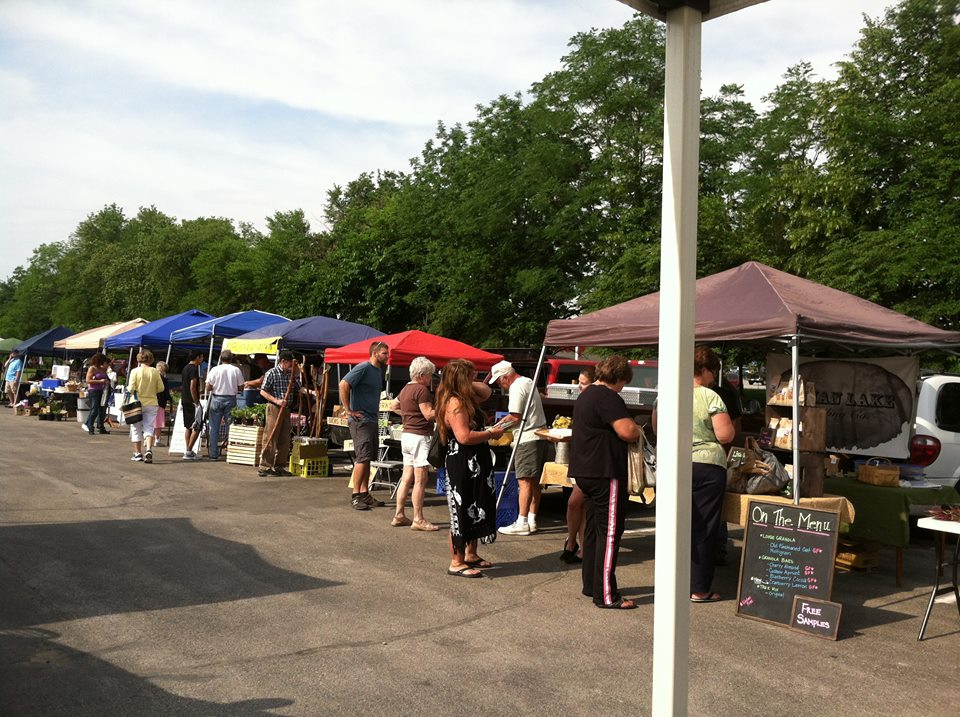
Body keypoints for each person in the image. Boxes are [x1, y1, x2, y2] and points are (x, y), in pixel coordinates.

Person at [652, 346, 734, 603]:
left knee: (673, 525)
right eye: (714, 371)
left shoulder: (665, 395)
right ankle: (699, 589)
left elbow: (658, 431)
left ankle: (670, 583)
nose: (714, 377)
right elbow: (725, 435)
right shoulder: (711, 397)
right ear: (706, 370)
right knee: (703, 528)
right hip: (707, 466)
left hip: (673, 464)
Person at [569, 356, 641, 609]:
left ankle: (592, 584)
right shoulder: (608, 397)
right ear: (620, 378)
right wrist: (638, 429)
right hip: (605, 471)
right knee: (610, 533)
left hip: (586, 471)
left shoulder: (586, 394)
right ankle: (606, 594)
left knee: (593, 531)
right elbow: (627, 431)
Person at [436, 359, 505, 578]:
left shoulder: (464, 396)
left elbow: (485, 392)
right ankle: (456, 562)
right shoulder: (455, 403)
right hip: (463, 461)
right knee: (462, 508)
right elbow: (464, 436)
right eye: (471, 376)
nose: (475, 380)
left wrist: (465, 381)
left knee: (477, 504)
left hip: (475, 460)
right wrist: (490, 434)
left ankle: (471, 554)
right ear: (461, 379)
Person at [488, 360, 548, 536]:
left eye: (500, 381)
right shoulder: (528, 381)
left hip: (527, 438)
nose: (500, 385)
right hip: (539, 435)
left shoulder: (516, 387)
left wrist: (496, 429)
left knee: (524, 480)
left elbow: (515, 417)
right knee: (534, 480)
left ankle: (521, 522)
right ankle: (531, 520)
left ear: (506, 376)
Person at [339, 341, 390, 510]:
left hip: (372, 420)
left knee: (368, 459)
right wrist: (348, 410)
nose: (387, 356)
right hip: (361, 421)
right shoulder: (363, 367)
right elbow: (343, 384)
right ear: (375, 353)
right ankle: (355, 496)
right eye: (384, 353)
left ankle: (364, 493)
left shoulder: (377, 371)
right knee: (362, 458)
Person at [390, 356, 439, 531]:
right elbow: (428, 414)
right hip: (419, 437)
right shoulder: (421, 389)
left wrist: (407, 415)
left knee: (406, 478)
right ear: (423, 374)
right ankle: (418, 518)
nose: (431, 379)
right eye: (430, 375)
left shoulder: (405, 389)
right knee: (420, 480)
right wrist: (444, 410)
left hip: (407, 435)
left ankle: (399, 514)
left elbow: (393, 406)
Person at [258, 350, 313, 477]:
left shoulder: (291, 374)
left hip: (286, 409)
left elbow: (299, 388)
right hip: (274, 408)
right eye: (290, 363)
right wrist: (277, 400)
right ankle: (265, 466)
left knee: (285, 438)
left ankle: (279, 466)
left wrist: (312, 392)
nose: (292, 366)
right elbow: (263, 391)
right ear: (284, 361)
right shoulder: (271, 373)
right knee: (271, 436)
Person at [560, 366, 595, 563]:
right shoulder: (582, 400)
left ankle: (576, 544)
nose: (580, 387)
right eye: (579, 383)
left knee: (577, 503)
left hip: (589, 462)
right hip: (580, 458)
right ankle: (574, 542)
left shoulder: (596, 400)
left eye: (584, 383)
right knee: (576, 505)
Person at [710, 369, 742, 566]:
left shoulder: (723, 395)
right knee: (714, 507)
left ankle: (716, 548)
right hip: (714, 458)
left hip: (696, 458)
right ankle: (716, 549)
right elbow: (731, 430)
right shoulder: (718, 396)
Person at [205, 350, 246, 461]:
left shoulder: (215, 369)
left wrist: (215, 387)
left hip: (217, 398)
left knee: (214, 427)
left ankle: (213, 454)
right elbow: (241, 386)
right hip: (230, 399)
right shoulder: (236, 370)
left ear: (221, 358)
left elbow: (208, 386)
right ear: (231, 358)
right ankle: (230, 453)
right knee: (230, 427)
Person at [126, 349, 164, 464]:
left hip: (137, 403)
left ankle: (137, 453)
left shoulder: (135, 371)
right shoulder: (155, 372)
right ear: (151, 359)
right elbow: (161, 388)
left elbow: (131, 388)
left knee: (136, 428)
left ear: (139, 359)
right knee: (149, 427)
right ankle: (148, 449)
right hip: (152, 403)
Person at [181, 350, 204, 460]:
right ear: (197, 357)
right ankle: (189, 450)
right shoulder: (194, 369)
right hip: (191, 401)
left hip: (184, 399)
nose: (202, 359)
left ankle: (188, 450)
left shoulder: (185, 368)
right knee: (197, 426)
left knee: (188, 426)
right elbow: (192, 387)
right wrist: (196, 402)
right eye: (201, 357)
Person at [82, 353, 110, 435]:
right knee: (94, 409)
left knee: (102, 409)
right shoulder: (92, 368)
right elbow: (88, 380)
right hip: (93, 390)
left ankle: (100, 426)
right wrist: (100, 381)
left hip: (102, 390)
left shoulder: (102, 369)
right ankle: (90, 425)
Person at [154, 361, 171, 446]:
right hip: (160, 402)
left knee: (151, 421)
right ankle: (157, 439)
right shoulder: (164, 380)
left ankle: (147, 439)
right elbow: (166, 393)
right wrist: (169, 399)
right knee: (158, 422)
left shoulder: (152, 378)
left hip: (151, 401)